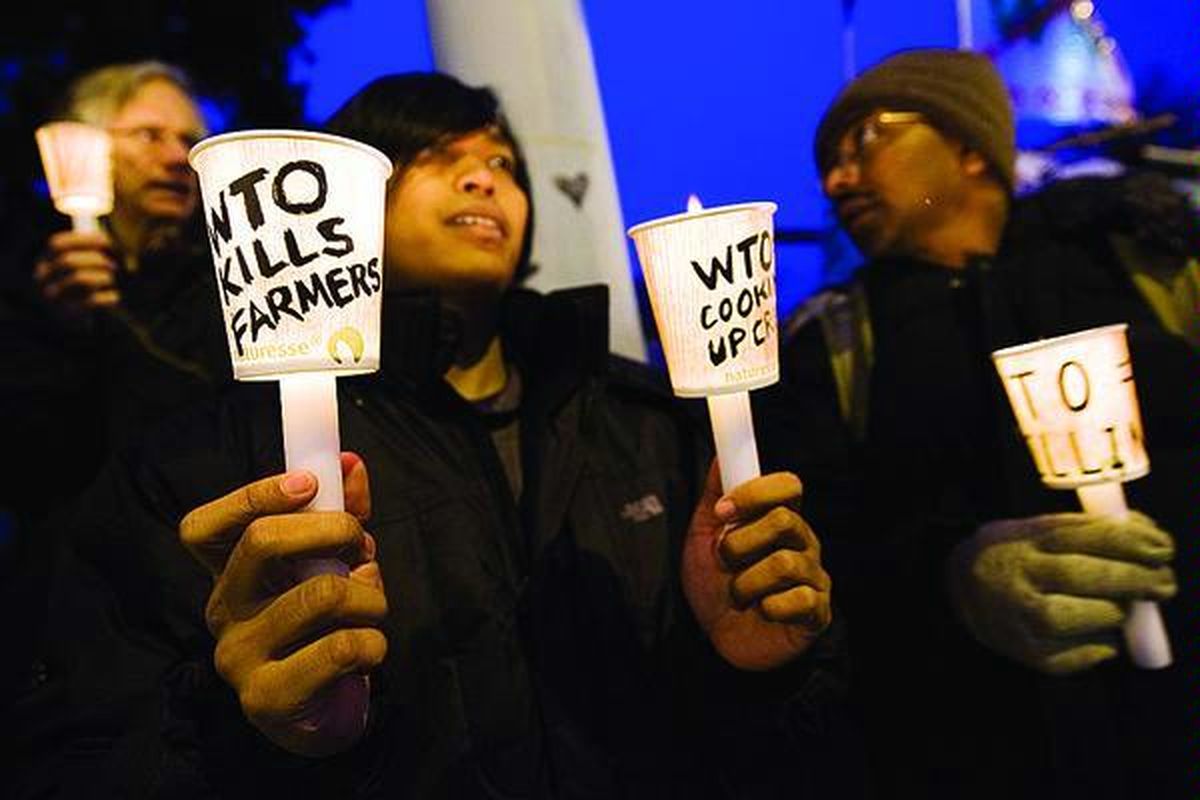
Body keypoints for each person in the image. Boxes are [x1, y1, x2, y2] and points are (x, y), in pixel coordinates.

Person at [24, 73, 862, 798]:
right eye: (431, 156)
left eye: (501, 163)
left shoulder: (643, 421)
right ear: (337, 207)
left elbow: (769, 753)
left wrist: (759, 673)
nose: (479, 180)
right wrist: (255, 730)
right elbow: (92, 747)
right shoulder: (209, 458)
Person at [756, 48, 1199, 799]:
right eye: (828, 163)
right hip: (971, 753)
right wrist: (952, 581)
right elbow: (826, 556)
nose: (836, 181)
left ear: (969, 149)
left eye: (865, 141)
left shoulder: (1152, 266)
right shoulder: (831, 343)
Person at [2, 62, 230, 794]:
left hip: (200, 643)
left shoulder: (224, 294)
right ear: (88, 150)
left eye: (190, 140)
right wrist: (63, 335)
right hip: (58, 654)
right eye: (149, 135)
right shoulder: (27, 284)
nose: (175, 156)